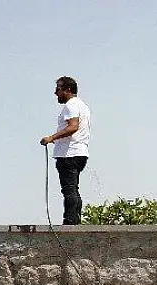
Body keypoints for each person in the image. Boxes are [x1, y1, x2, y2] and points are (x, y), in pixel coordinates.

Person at [40, 76, 92, 225]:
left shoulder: (71, 105)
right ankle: (75, 220)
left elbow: (73, 127)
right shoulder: (83, 106)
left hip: (69, 154)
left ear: (68, 90)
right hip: (79, 152)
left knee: (69, 190)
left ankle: (70, 223)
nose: (56, 93)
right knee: (73, 189)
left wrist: (51, 137)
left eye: (58, 89)